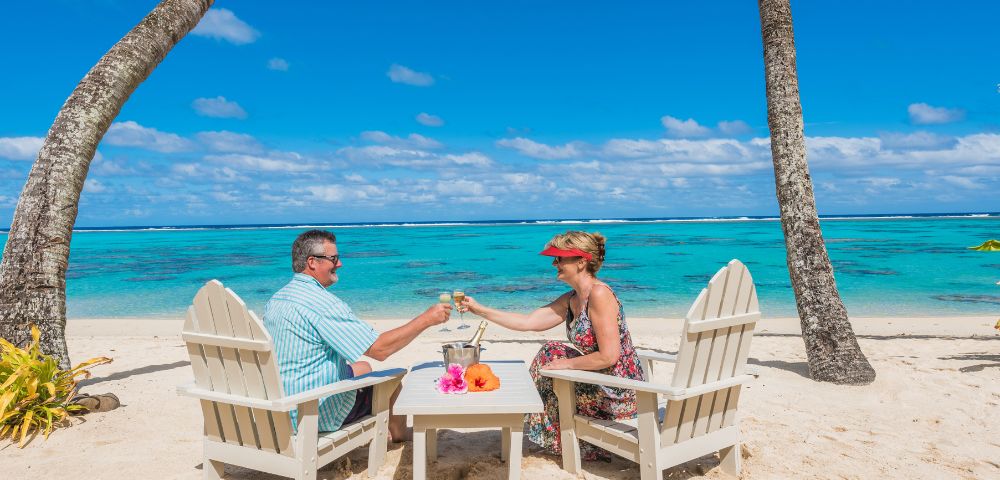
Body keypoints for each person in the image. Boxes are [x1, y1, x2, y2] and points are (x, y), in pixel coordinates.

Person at [458, 230, 644, 459]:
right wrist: (480, 309)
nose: (555, 263)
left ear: (581, 261)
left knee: (552, 356)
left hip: (617, 390)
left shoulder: (599, 294)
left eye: (560, 258)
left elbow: (609, 357)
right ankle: (550, 431)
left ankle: (537, 427)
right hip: (597, 379)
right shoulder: (572, 298)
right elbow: (528, 322)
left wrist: (567, 364)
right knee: (550, 351)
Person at [263, 229, 451, 441]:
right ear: (312, 262)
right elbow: (380, 349)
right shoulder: (323, 304)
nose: (339, 264)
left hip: (280, 406)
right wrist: (426, 319)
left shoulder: (277, 300)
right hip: (312, 413)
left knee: (363, 367)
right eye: (333, 258)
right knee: (391, 382)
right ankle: (399, 434)